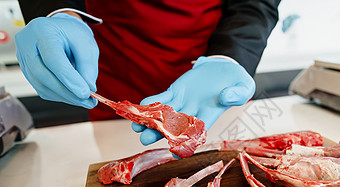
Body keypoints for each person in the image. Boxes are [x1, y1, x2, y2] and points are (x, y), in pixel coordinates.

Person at [15, 0, 281, 145]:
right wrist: (57, 10)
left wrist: (229, 57)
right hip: (113, 69)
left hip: (212, 83)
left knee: (226, 167)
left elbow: (255, 4)